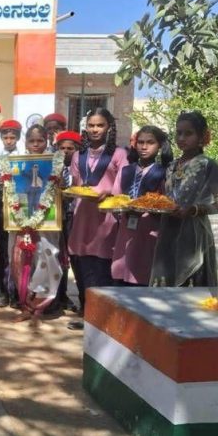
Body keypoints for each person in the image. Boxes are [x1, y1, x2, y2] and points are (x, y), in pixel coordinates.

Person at [67, 108, 128, 326]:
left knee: (102, 265)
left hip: (105, 217)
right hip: (83, 215)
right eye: (91, 125)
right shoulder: (78, 155)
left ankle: (102, 317)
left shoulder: (120, 155)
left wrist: (109, 192)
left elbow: (123, 186)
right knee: (83, 266)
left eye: (100, 125)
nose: (95, 129)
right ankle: (87, 313)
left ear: (109, 128)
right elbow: (76, 185)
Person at [150, 111, 218, 288]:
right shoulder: (172, 166)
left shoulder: (208, 165)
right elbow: (168, 197)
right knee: (166, 287)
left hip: (194, 234)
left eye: (188, 133)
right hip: (169, 231)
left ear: (202, 137)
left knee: (192, 290)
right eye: (179, 133)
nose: (182, 137)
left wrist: (194, 210)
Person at [8, 125, 63, 321]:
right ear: (26, 142)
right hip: (21, 220)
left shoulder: (55, 163)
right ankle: (25, 304)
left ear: (47, 142)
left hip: (47, 222)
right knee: (21, 260)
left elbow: (58, 189)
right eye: (32, 141)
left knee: (46, 259)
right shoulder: (16, 164)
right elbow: (12, 188)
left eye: (40, 141)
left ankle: (40, 306)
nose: (36, 145)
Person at [111, 126, 172, 286]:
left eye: (150, 143)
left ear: (160, 146)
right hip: (125, 230)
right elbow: (116, 199)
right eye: (140, 142)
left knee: (142, 277)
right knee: (121, 277)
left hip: (149, 232)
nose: (144, 147)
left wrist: (149, 209)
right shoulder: (125, 171)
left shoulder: (163, 172)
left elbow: (167, 203)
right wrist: (120, 209)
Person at [0, 118, 24, 307]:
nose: (9, 140)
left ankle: (19, 291)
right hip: (1, 205)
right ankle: (4, 291)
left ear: (18, 137)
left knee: (19, 249)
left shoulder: (25, 156)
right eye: (6, 136)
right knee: (3, 249)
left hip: (20, 206)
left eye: (13, 137)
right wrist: (0, 185)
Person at [53, 130, 82, 313]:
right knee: (56, 256)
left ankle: (75, 297)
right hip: (54, 218)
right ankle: (57, 295)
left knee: (72, 259)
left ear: (77, 149)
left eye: (70, 148)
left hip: (75, 217)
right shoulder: (52, 166)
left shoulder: (80, 167)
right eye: (62, 148)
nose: (65, 151)